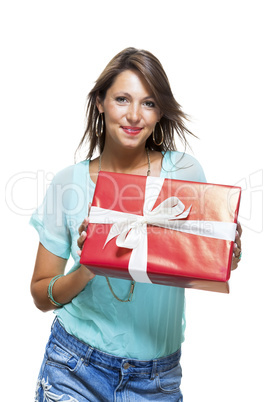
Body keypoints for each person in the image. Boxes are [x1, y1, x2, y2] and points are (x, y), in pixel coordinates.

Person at [30, 47, 242, 401]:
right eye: (122, 99)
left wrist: (225, 254)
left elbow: (198, 265)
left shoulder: (184, 173)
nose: (133, 115)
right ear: (100, 102)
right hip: (74, 366)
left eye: (148, 103)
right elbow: (40, 294)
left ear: (160, 112)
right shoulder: (68, 184)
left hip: (156, 380)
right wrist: (87, 267)